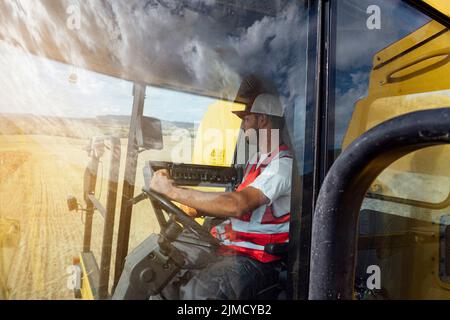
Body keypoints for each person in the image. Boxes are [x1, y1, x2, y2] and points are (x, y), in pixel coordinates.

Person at [149, 79, 293, 300]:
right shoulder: (257, 160)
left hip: (256, 259)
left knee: (197, 293)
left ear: (262, 120)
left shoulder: (282, 165)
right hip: (233, 248)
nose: (243, 126)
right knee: (165, 269)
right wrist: (196, 208)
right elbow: (235, 205)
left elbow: (237, 204)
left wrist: (172, 191)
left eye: (246, 119)